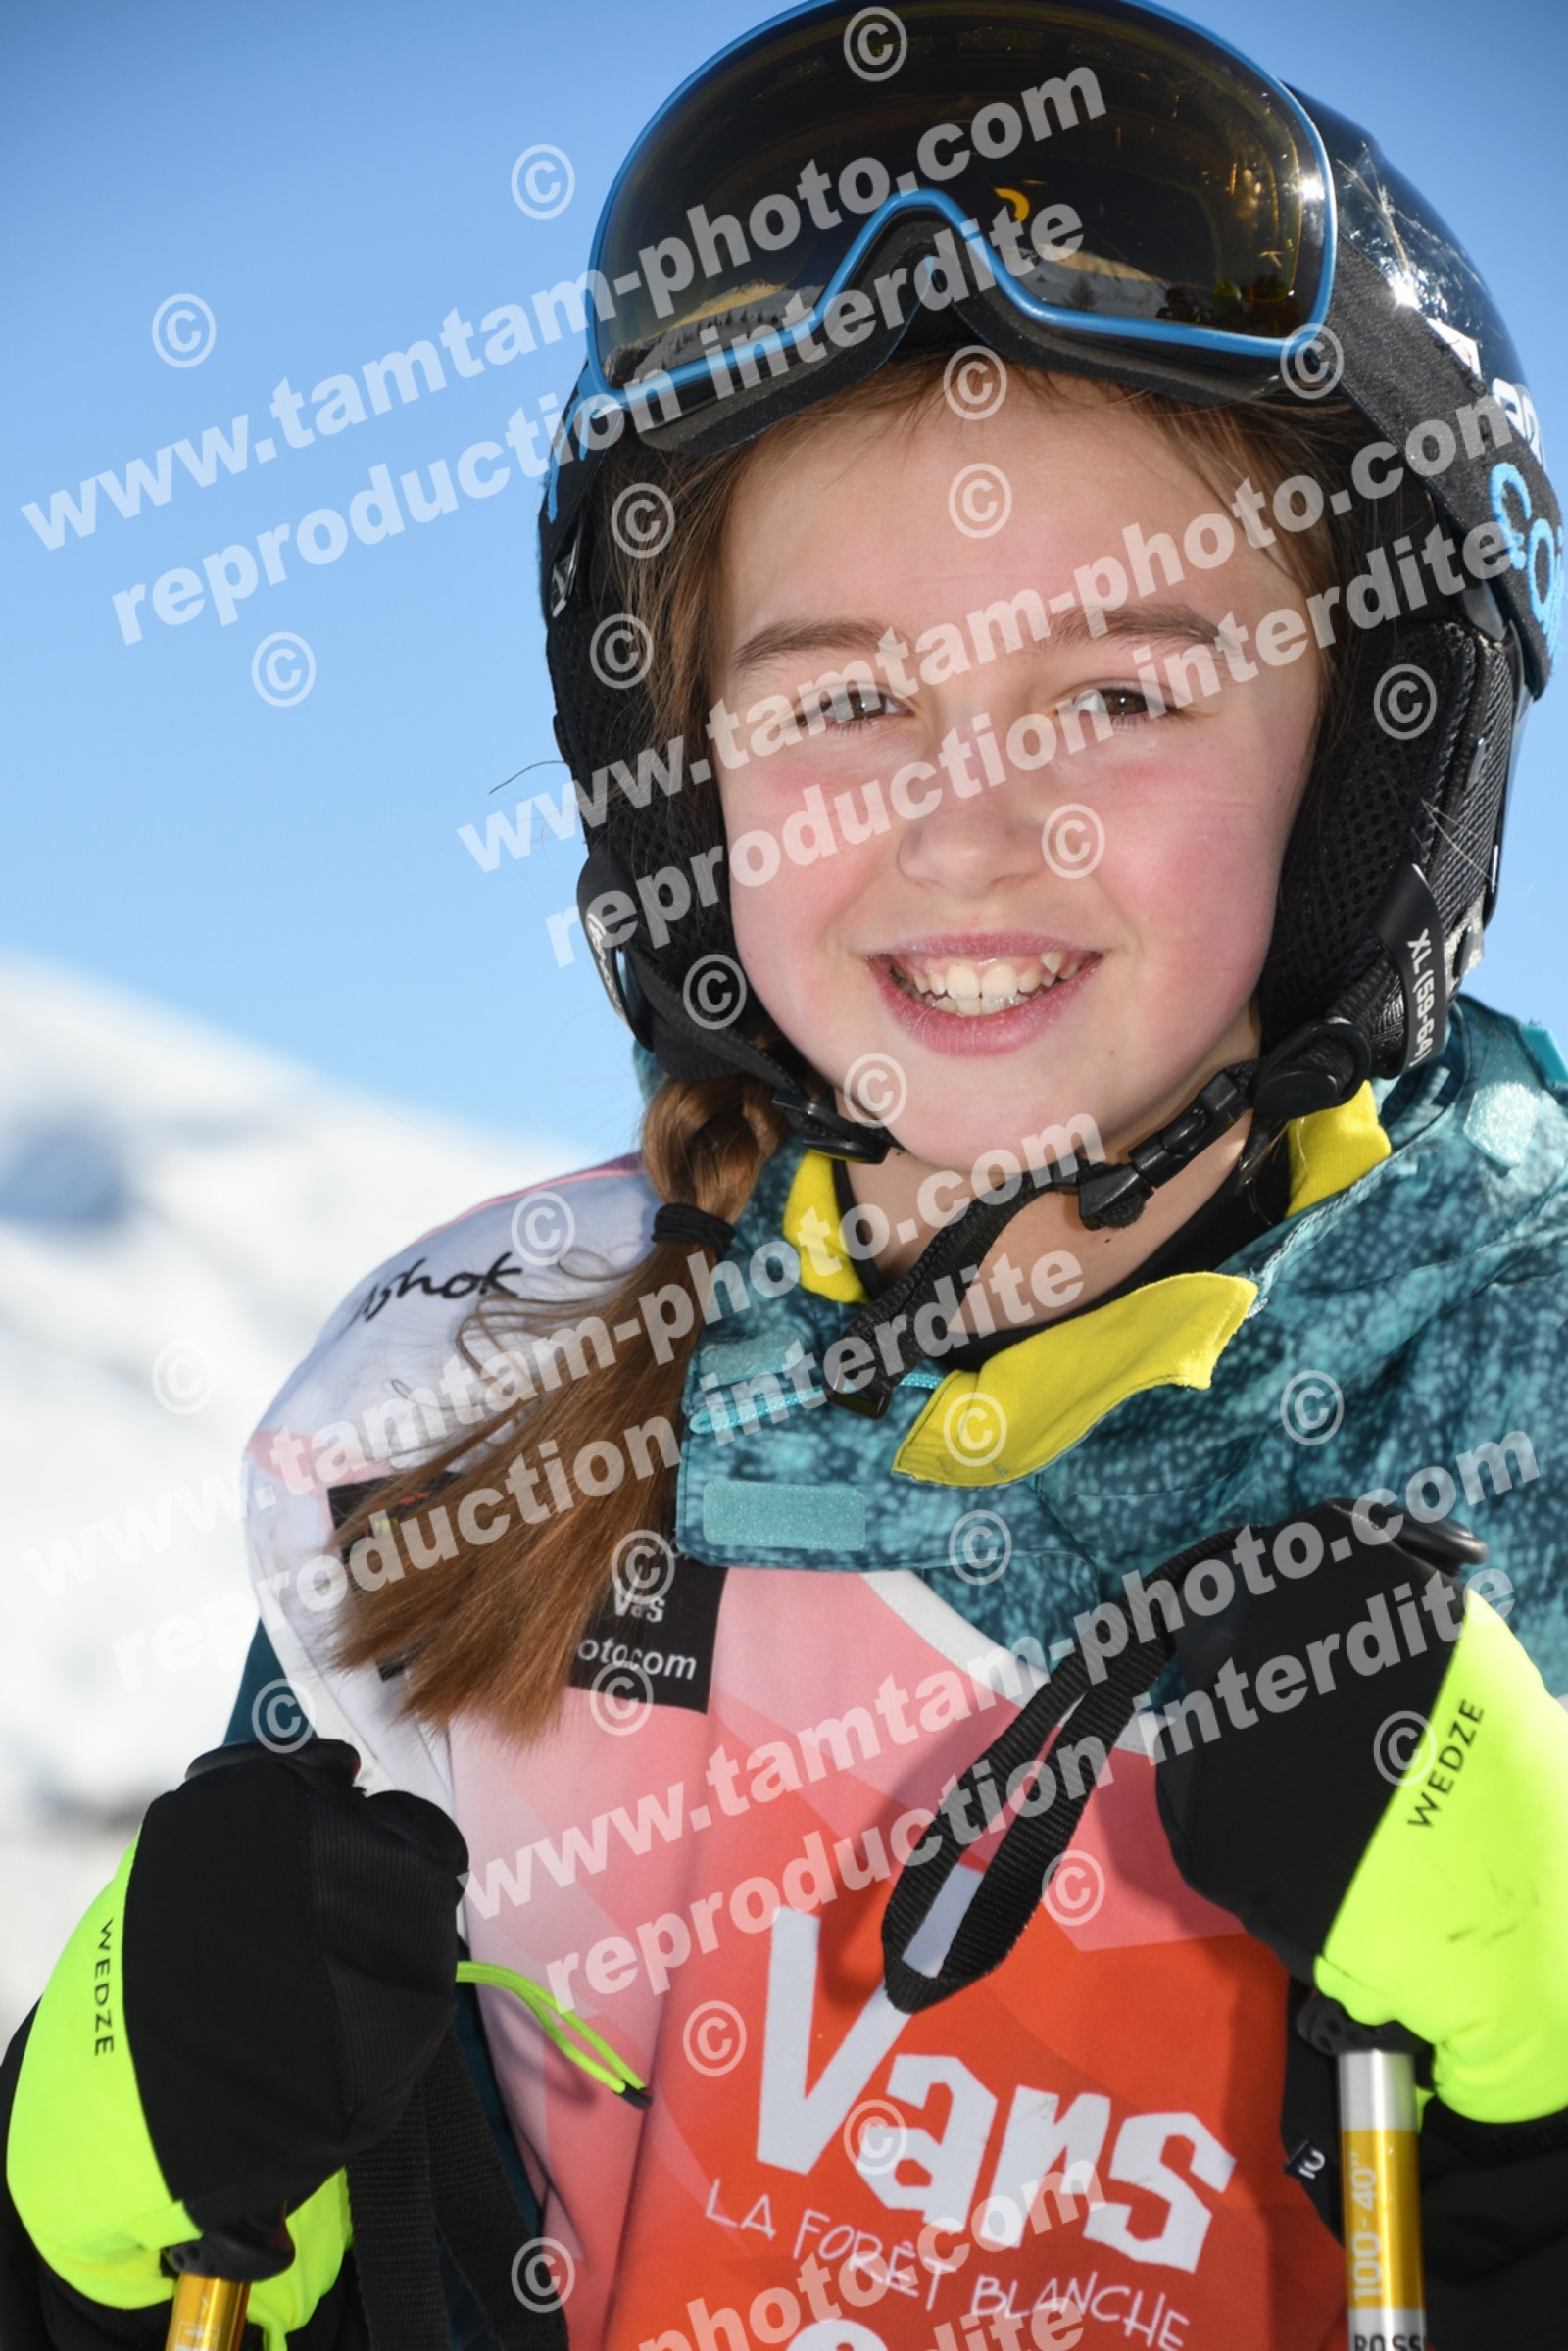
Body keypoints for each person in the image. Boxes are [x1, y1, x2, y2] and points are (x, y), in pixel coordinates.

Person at [6, 3, 1568, 2347]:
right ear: (681, 783)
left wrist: (1538, 2091)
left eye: (1120, 697)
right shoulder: (458, 1418)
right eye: (843, 702)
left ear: (1365, 762)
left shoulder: (1517, 1382)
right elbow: (287, 2225)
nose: (967, 823)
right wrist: (93, 2234)